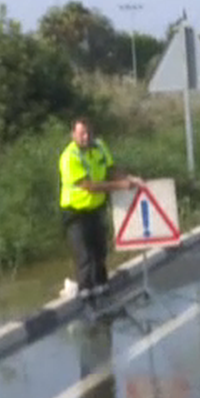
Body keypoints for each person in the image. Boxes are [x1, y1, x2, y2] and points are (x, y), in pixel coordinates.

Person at [59, 117, 144, 302]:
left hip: (95, 209)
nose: (86, 137)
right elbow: (88, 185)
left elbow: (111, 168)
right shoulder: (69, 157)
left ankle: (103, 291)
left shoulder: (99, 147)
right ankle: (86, 297)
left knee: (100, 253)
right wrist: (120, 185)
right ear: (73, 134)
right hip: (75, 213)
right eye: (82, 134)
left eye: (89, 133)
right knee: (85, 257)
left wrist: (129, 178)